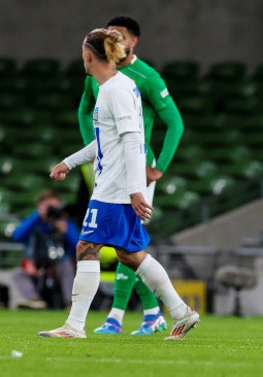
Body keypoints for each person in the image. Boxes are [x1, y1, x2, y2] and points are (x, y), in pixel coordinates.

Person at [38, 28, 199, 340]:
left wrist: (135, 189)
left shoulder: (115, 90)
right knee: (130, 255)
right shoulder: (116, 87)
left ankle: (74, 326)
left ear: (88, 56)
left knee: (86, 247)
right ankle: (181, 312)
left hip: (114, 188)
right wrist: (68, 163)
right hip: (114, 185)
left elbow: (133, 141)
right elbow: (105, 141)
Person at [78, 15, 184, 336]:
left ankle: (118, 316)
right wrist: (94, 150)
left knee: (123, 245)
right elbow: (84, 109)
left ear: (134, 41)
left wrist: (158, 167)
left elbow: (175, 123)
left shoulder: (146, 77)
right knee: (123, 245)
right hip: (109, 169)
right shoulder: (98, 75)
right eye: (110, 35)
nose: (115, 41)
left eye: (121, 36)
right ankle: (153, 312)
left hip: (136, 170)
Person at [12, 189, 79, 309]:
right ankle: (34, 300)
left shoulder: (65, 223)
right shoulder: (34, 222)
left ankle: (70, 303)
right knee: (18, 273)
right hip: (37, 265)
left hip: (59, 266)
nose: (52, 210)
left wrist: (66, 231)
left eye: (55, 207)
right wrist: (37, 216)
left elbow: (78, 246)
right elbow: (17, 236)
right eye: (49, 207)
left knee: (66, 266)